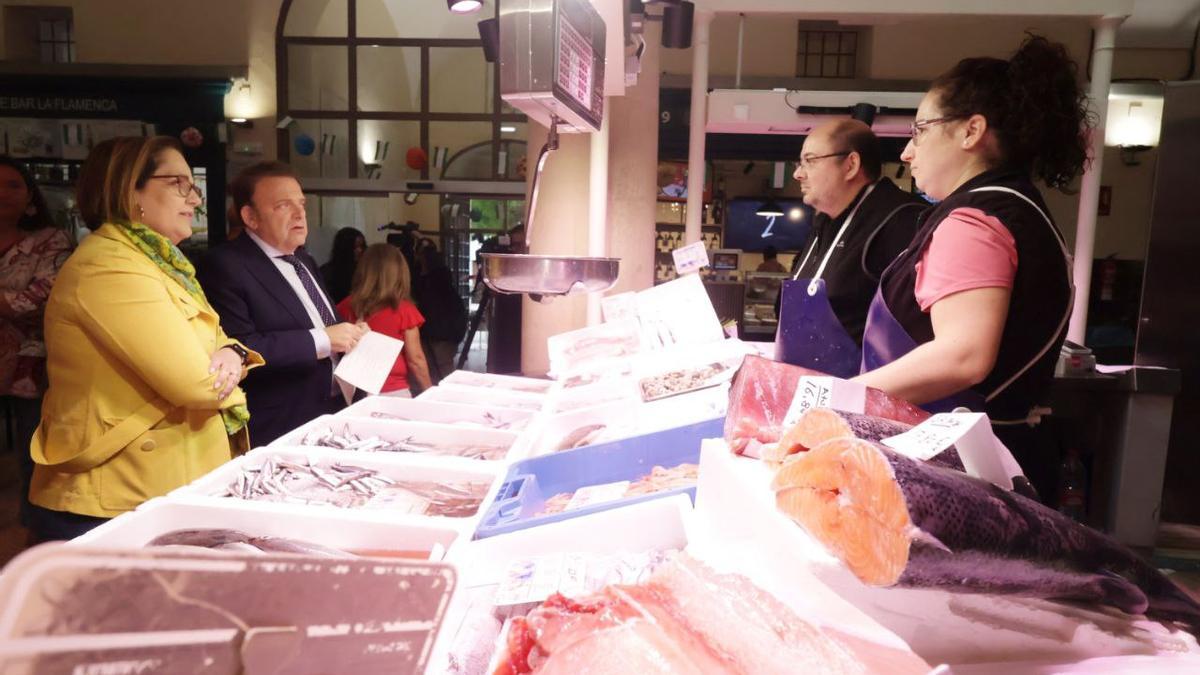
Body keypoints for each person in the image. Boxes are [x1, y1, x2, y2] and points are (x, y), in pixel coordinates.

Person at [854, 36, 1087, 500]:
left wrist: (839, 400)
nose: (906, 151)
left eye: (919, 130)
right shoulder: (1019, 207)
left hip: (962, 473)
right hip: (1002, 458)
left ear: (970, 131)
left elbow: (962, 355)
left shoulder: (973, 220)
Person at [28, 136, 261, 541]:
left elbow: (221, 337)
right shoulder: (109, 266)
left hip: (162, 481)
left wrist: (233, 351)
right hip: (116, 495)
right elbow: (199, 383)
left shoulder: (159, 261)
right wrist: (231, 358)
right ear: (127, 188)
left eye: (194, 186)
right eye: (179, 184)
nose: (195, 199)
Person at [199, 162, 366, 446]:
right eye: (283, 206)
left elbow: (326, 326)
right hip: (283, 425)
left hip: (336, 412)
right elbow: (240, 347)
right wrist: (323, 339)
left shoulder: (304, 260)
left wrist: (353, 333)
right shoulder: (227, 265)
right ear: (250, 217)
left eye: (301, 204)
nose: (300, 213)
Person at [776, 119, 924, 377]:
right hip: (808, 386)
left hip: (861, 396)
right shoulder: (824, 220)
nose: (798, 173)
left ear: (851, 165)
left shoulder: (903, 220)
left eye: (809, 160)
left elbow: (913, 335)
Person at [0, 156, 73, 527]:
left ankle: (33, 530)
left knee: (34, 448)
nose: (2, 192)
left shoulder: (51, 240)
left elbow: (44, 296)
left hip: (33, 361)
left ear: (30, 195)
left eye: (13, 184)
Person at [336, 243, 433, 396]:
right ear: (400, 273)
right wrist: (430, 392)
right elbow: (416, 360)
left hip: (355, 392)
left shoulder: (345, 306)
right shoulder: (405, 310)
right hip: (394, 391)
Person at [413, 240, 467, 383]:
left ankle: (447, 397)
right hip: (436, 331)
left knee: (443, 368)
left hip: (440, 333)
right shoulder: (437, 277)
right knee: (436, 368)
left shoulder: (436, 279)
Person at [320, 226, 366, 305]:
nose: (360, 250)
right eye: (355, 247)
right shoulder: (327, 272)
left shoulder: (365, 270)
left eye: (361, 246)